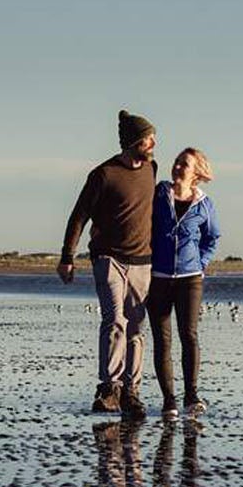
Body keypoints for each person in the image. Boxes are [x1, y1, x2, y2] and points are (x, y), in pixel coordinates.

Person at [60, 110, 157, 418]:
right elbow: (79, 216)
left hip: (143, 260)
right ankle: (109, 388)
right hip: (108, 258)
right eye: (147, 138)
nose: (153, 142)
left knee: (136, 326)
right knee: (115, 320)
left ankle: (132, 391)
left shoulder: (152, 169)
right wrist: (67, 257)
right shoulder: (103, 174)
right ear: (132, 141)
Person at [147, 146, 222, 416]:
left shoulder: (204, 204)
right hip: (157, 277)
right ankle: (169, 400)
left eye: (184, 164)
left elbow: (212, 238)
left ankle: (191, 396)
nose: (178, 167)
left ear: (196, 174)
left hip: (190, 279)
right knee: (162, 340)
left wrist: (200, 265)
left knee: (188, 336)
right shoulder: (158, 194)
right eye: (177, 162)